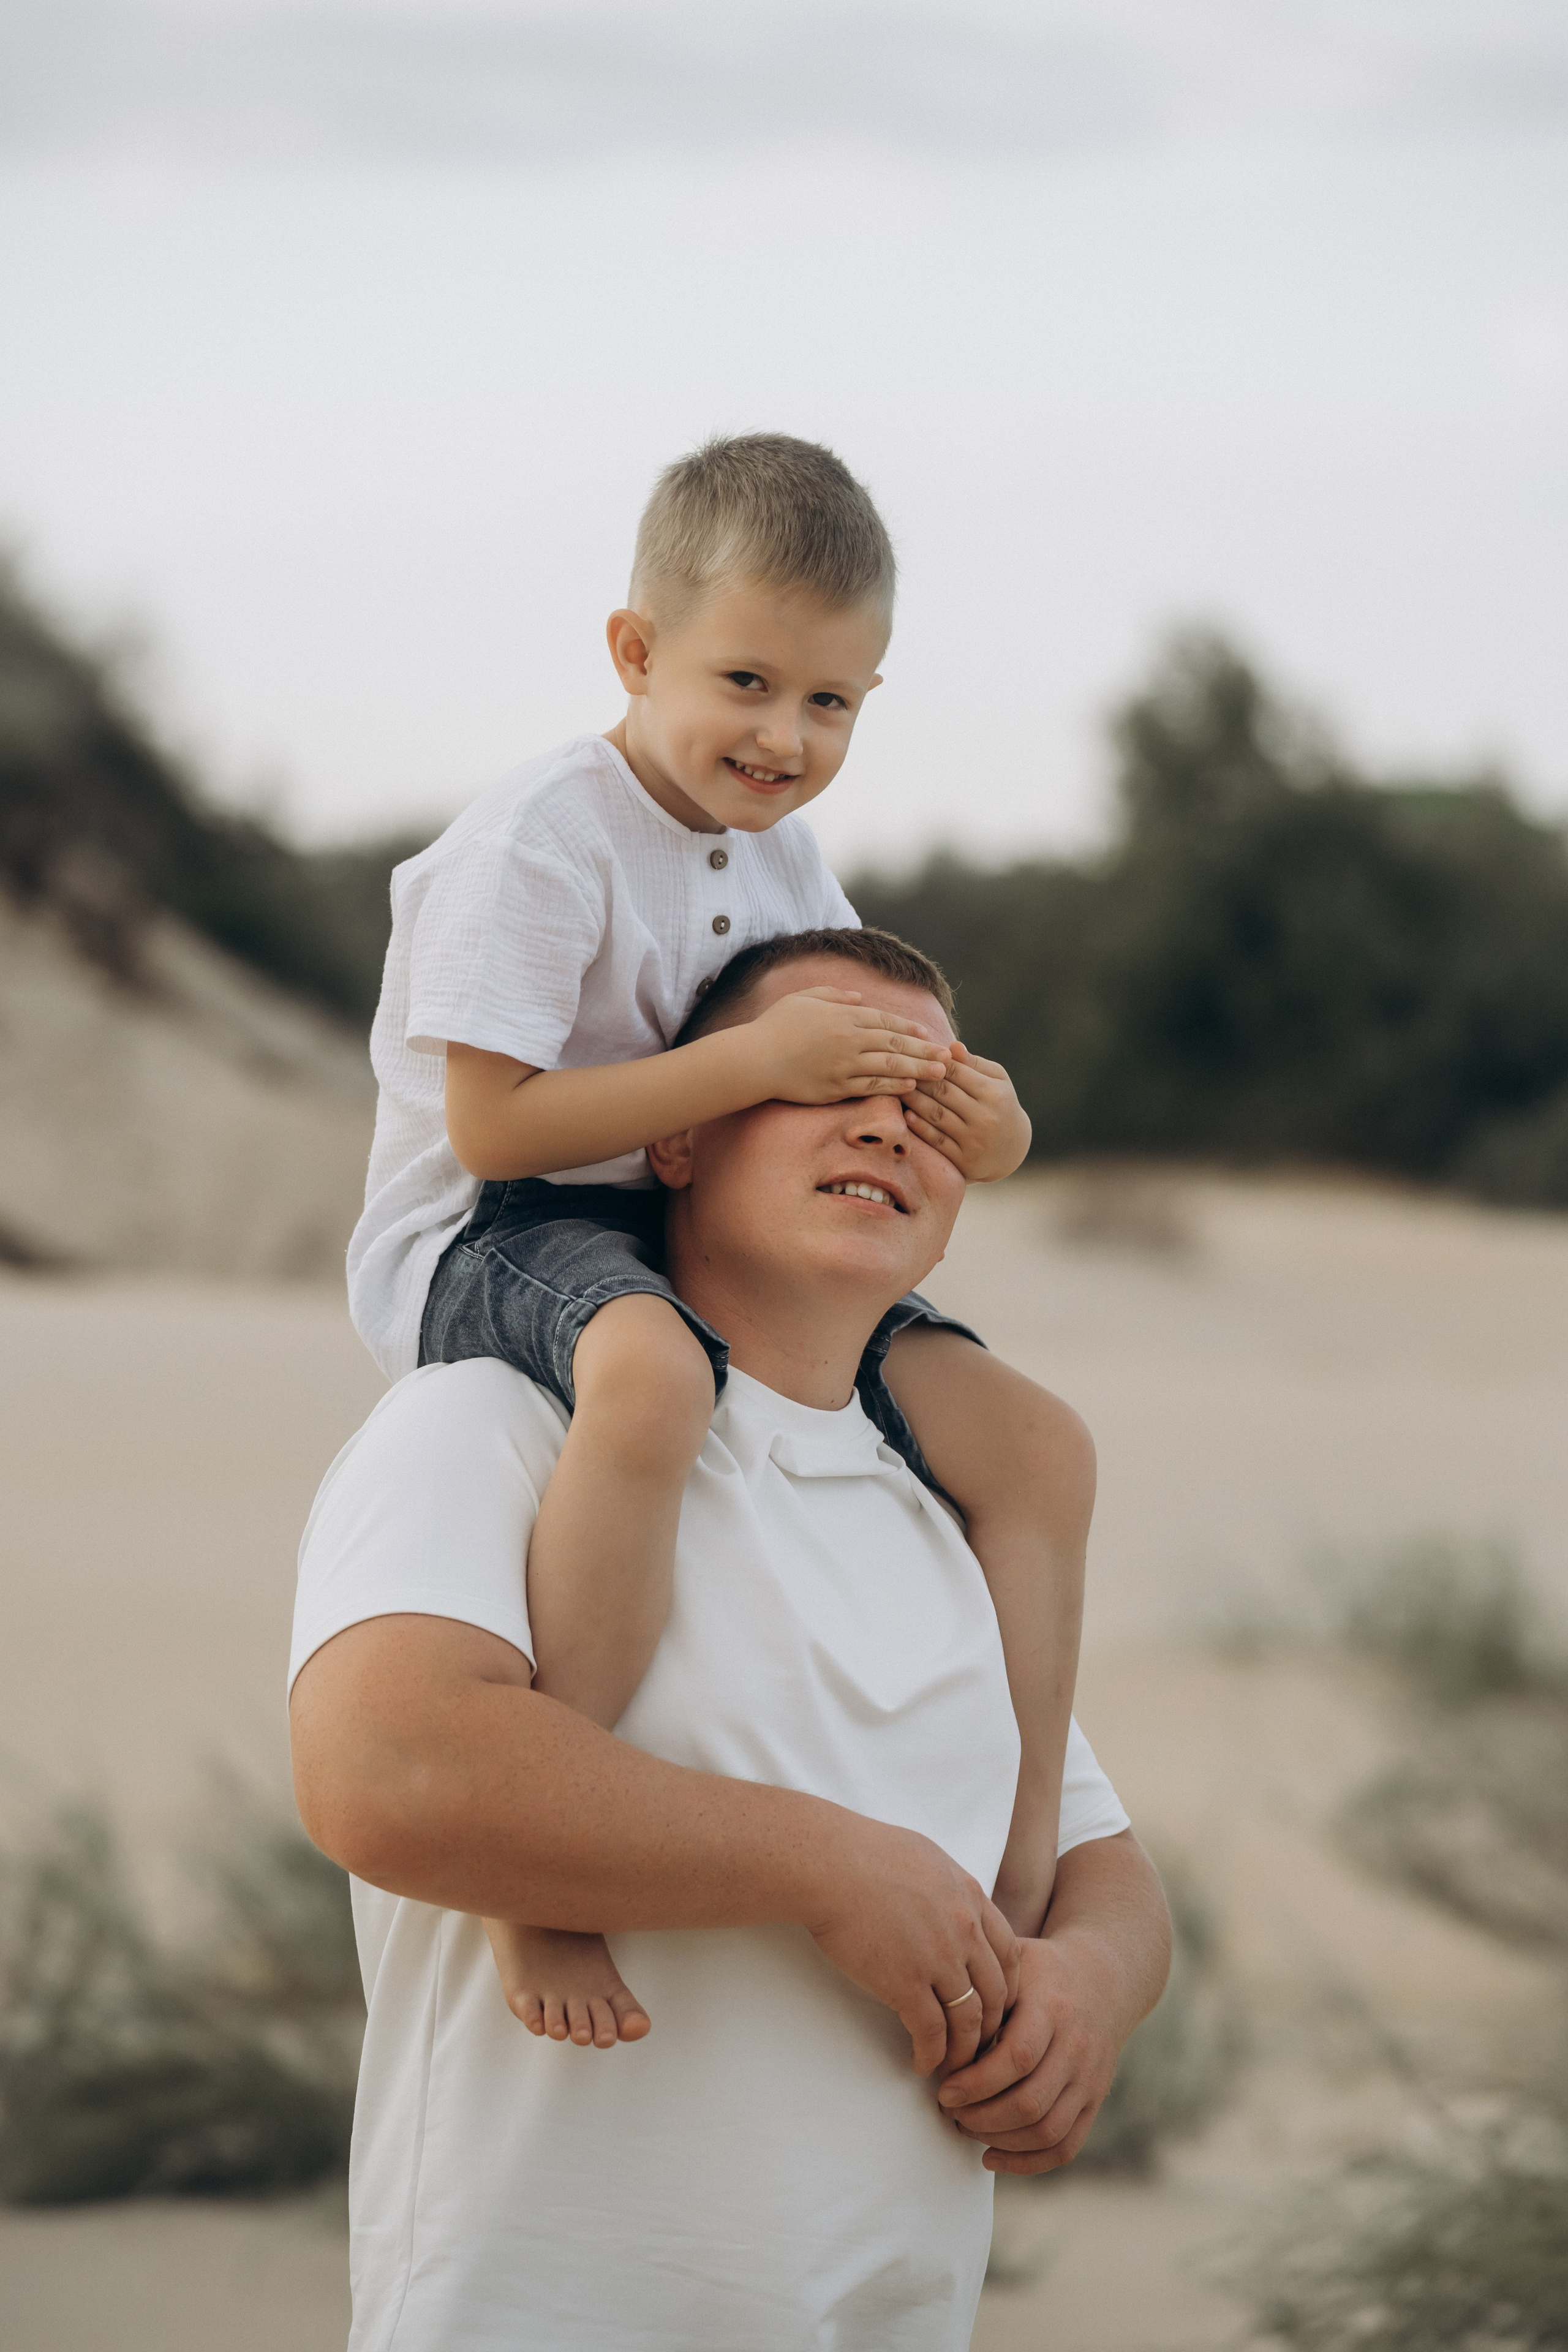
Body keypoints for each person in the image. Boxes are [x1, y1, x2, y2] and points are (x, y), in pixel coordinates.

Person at [292, 930, 1170, 2350]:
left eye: (931, 1100)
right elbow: (386, 1772)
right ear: (678, 1132)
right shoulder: (499, 1421)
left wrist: (1086, 1993)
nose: (886, 1119)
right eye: (834, 1072)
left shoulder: (949, 1507)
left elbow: (1096, 1861)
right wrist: (826, 1869)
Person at [345, 434, 1077, 2040]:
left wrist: (992, 1123)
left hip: (676, 1211)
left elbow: (884, 1076)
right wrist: (756, 1066)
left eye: (833, 703)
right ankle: (550, 1870)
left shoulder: (788, 855)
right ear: (634, 651)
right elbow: (495, 1127)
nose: (784, 736)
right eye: (746, 681)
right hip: (503, 1223)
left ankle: (1023, 1857)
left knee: (1034, 1443)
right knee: (657, 1383)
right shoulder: (542, 835)